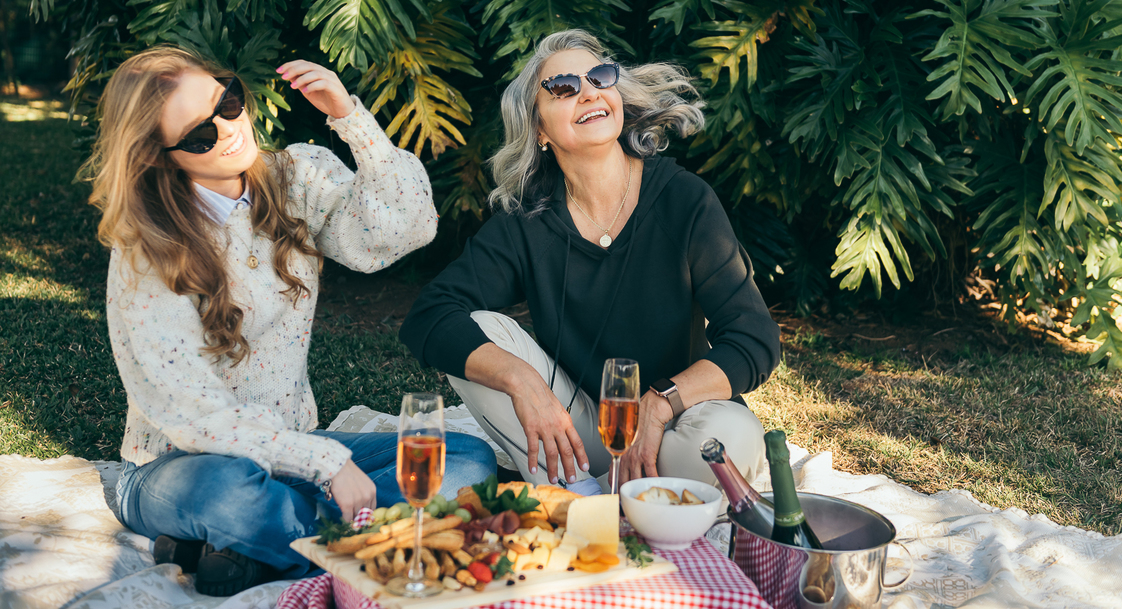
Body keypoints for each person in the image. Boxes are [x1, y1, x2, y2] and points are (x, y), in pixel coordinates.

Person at [85, 47, 495, 596]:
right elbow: (193, 412)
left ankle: (247, 552)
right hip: (183, 465)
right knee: (230, 497)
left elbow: (408, 226)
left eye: (227, 103)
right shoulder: (147, 250)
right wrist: (326, 464)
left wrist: (349, 116)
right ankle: (326, 536)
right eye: (200, 136)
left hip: (292, 451)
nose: (229, 129)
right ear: (160, 156)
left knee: (465, 461)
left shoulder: (295, 176)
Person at [400, 29, 780, 494]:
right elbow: (430, 315)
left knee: (733, 441)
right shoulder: (529, 220)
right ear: (538, 129)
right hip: (578, 430)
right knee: (480, 330)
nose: (588, 92)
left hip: (674, 425)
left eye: (600, 76)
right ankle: (590, 493)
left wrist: (661, 404)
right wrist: (524, 382)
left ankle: (597, 493)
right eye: (562, 87)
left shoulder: (684, 199)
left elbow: (754, 338)